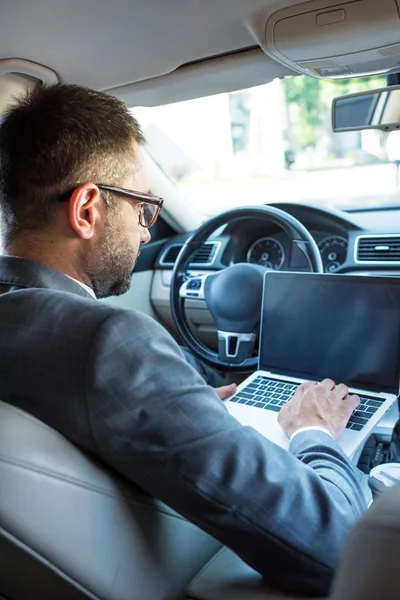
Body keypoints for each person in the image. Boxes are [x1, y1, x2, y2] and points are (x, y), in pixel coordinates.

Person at [0, 83, 366, 595]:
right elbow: (337, 545)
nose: (148, 233)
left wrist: (180, 405)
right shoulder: (110, 344)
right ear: (87, 210)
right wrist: (315, 433)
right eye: (144, 208)